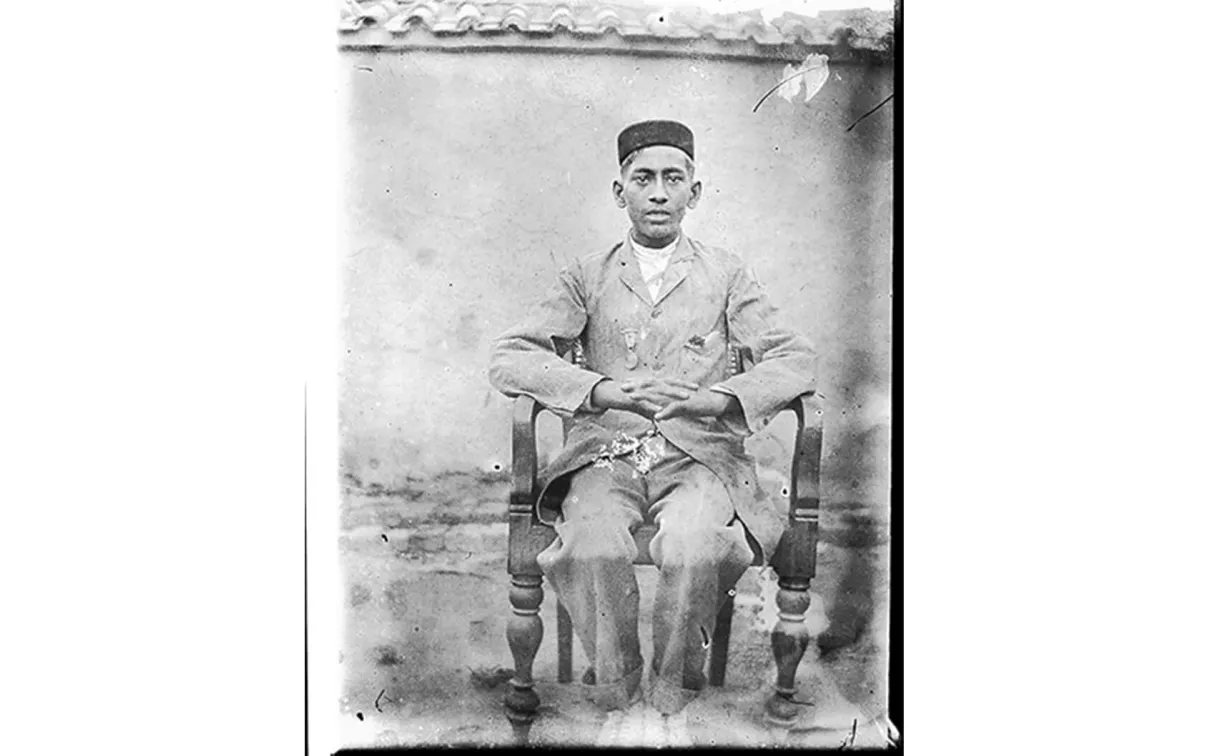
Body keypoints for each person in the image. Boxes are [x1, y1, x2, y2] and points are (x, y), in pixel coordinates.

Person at [488, 120, 816, 717]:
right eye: (644, 179)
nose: (659, 193)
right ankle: (619, 688)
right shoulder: (587, 274)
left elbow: (797, 357)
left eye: (673, 178)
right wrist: (601, 389)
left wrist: (719, 399)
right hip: (605, 456)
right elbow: (511, 356)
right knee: (589, 540)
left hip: (699, 457)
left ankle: (671, 691)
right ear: (621, 193)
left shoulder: (726, 273)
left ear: (696, 190)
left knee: (694, 542)